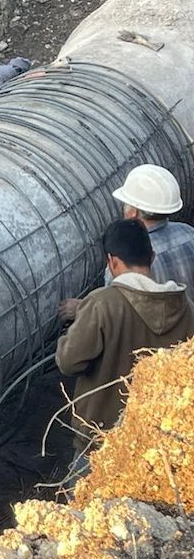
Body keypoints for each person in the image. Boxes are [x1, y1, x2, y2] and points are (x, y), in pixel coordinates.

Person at [55, 219, 194, 468]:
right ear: (151, 257)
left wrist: (70, 334)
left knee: (86, 500)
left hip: (100, 439)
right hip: (158, 439)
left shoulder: (101, 304)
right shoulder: (185, 308)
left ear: (112, 261)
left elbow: (69, 362)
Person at [59, 164, 194, 320]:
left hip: (157, 343)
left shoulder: (126, 259)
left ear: (133, 212)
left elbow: (118, 318)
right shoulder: (189, 233)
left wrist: (83, 309)